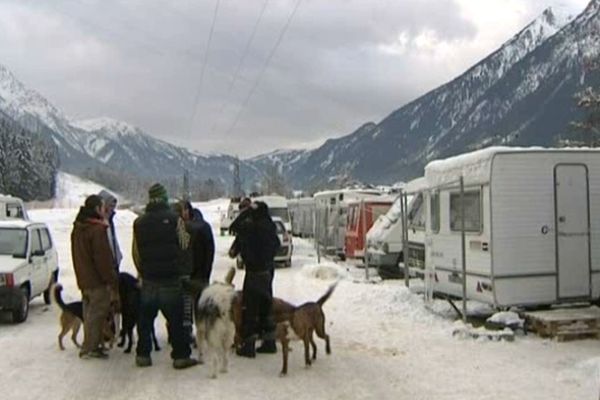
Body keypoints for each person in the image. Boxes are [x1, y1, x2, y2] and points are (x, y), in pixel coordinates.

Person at [132, 183, 197, 370]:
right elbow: (184, 243)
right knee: (177, 320)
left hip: (149, 280)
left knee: (145, 320)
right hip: (170, 279)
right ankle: (180, 357)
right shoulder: (175, 219)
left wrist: (143, 271)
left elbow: (136, 252)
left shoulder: (139, 222)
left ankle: (143, 355)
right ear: (164, 198)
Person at [229, 201, 281, 357]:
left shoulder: (250, 228)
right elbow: (277, 245)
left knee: (250, 308)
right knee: (266, 306)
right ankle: (269, 342)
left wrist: (246, 213)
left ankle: (249, 346)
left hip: (253, 272)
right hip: (267, 271)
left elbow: (234, 227)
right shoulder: (270, 226)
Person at [71, 194, 119, 359]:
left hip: (83, 279)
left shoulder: (78, 227)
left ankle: (92, 344)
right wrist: (111, 279)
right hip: (97, 280)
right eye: (102, 207)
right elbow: (103, 259)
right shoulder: (97, 230)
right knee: (97, 314)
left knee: (89, 313)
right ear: (97, 209)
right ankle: (90, 347)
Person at [98, 190, 123, 273]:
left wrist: (118, 257)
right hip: (104, 270)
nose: (112, 209)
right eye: (110, 206)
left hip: (113, 266)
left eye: (114, 206)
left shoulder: (110, 221)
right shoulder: (97, 224)